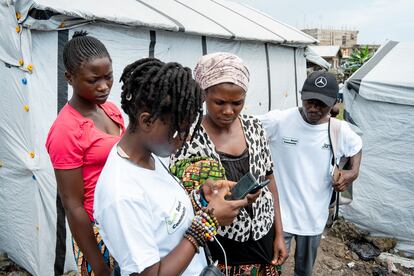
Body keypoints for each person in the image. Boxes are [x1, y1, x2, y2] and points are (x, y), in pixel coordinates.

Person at [93, 58, 248, 275]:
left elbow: (163, 221)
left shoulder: (152, 155)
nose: (183, 140)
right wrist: (207, 223)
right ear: (147, 121)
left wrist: (201, 198)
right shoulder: (122, 195)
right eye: (177, 132)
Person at [170, 52, 288, 275]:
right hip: (221, 248)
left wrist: (279, 234)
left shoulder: (254, 127)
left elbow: (269, 181)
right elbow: (182, 204)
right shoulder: (188, 139)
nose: (228, 111)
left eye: (237, 103)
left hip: (264, 239)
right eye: (220, 102)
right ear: (204, 95)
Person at [259, 70, 362, 276]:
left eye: (321, 104)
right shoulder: (279, 121)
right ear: (301, 96)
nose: (313, 108)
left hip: (314, 219)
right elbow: (244, 127)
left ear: (334, 102)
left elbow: (356, 147)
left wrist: (353, 172)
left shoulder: (339, 131)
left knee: (304, 272)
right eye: (309, 101)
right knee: (271, 269)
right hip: (281, 218)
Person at [45, 31, 124, 276]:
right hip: (97, 233)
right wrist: (98, 264)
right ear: (69, 77)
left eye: (108, 77)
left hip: (124, 220)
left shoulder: (110, 110)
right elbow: (72, 205)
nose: (104, 86)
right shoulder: (65, 130)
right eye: (93, 80)